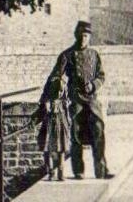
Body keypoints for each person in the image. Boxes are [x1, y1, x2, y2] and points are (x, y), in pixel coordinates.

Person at [45, 20, 113, 180]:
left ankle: (101, 170)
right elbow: (55, 75)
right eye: (81, 35)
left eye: (86, 36)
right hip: (75, 100)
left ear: (89, 37)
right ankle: (78, 171)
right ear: (76, 36)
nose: (83, 39)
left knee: (98, 131)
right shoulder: (67, 55)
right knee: (75, 135)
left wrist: (94, 85)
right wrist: (52, 94)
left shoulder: (94, 55)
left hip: (92, 100)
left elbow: (101, 76)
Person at [34, 73, 71, 181]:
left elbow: (67, 110)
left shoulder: (63, 100)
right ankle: (51, 171)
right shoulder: (48, 101)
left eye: (61, 90)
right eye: (58, 91)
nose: (59, 93)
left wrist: (68, 121)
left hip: (60, 122)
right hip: (50, 124)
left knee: (61, 147)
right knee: (47, 147)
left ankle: (60, 171)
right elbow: (43, 109)